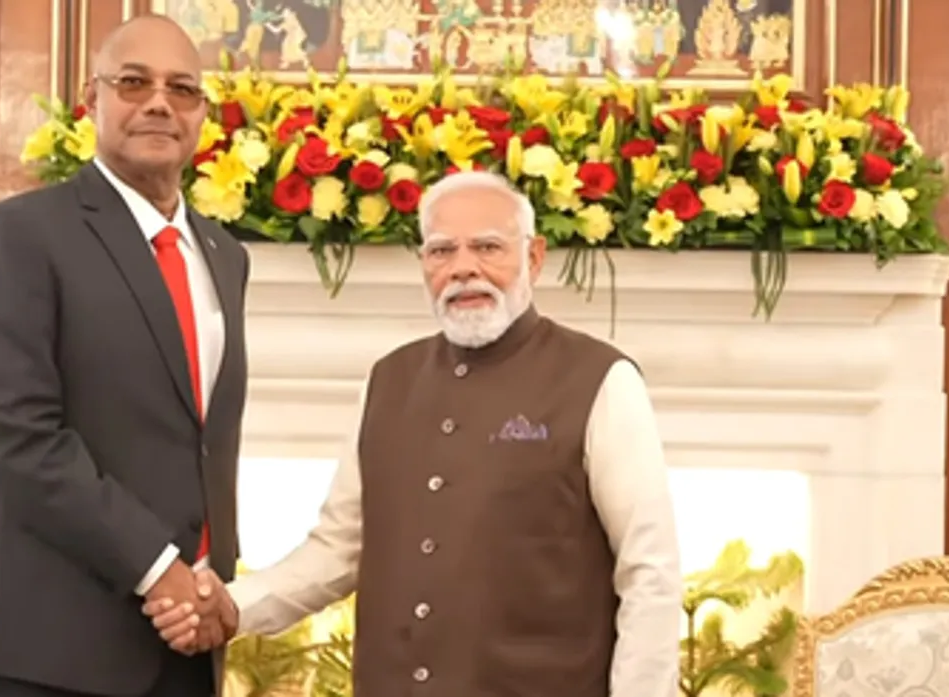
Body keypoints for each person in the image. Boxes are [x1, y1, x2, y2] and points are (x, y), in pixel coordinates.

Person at [145, 170, 684, 696]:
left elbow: (650, 574)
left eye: (489, 248)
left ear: (534, 257)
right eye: (442, 250)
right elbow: (339, 548)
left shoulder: (600, 379)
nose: (463, 269)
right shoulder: (388, 380)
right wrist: (237, 605)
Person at [0, 15, 248, 697]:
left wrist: (207, 587)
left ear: (202, 116)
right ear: (93, 102)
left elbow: (201, 441)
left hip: (178, 637)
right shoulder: (20, 235)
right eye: (134, 82)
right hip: (45, 638)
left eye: (182, 88)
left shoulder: (223, 255)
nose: (159, 101)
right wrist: (161, 568)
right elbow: (17, 433)